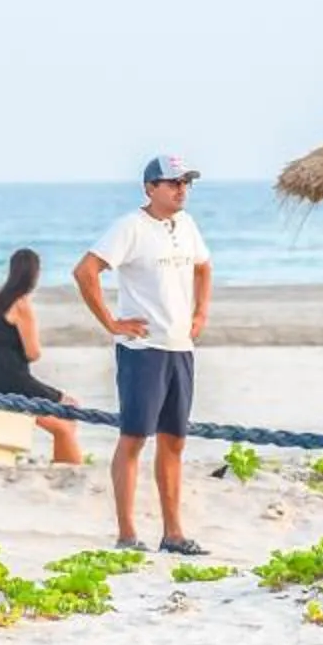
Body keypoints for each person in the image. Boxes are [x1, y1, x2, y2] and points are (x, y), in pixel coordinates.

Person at [74, 155, 213, 554]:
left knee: (174, 441)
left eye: (186, 182)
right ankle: (127, 535)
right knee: (134, 438)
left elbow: (204, 267)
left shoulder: (186, 225)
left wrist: (200, 313)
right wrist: (111, 323)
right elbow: (85, 271)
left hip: (180, 348)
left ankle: (173, 534)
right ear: (150, 188)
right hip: (143, 350)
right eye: (173, 183)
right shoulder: (130, 227)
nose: (181, 189)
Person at [0, 249, 84, 467]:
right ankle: (69, 469)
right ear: (35, 274)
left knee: (63, 421)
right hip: (14, 384)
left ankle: (64, 463)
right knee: (70, 409)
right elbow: (33, 353)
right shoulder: (21, 304)